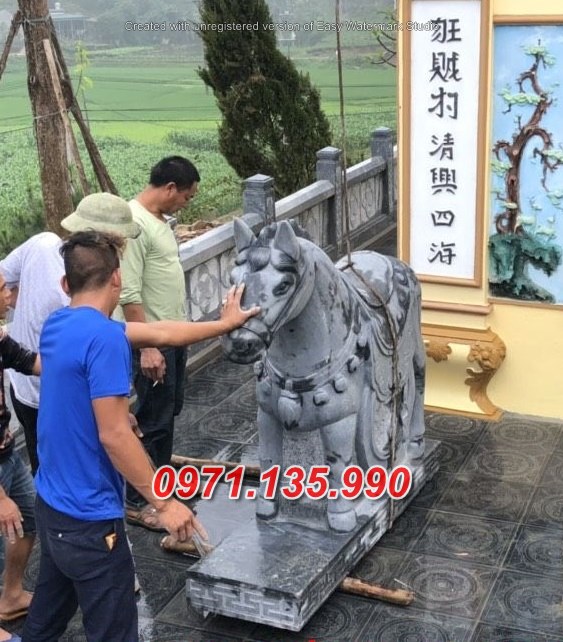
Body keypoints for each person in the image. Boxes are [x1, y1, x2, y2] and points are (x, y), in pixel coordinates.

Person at [22, 231, 259, 642]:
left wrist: (223, 324)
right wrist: (164, 503)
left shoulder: (58, 324)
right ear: (117, 278)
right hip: (90, 521)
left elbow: (161, 333)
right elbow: (114, 434)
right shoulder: (106, 340)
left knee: (46, 619)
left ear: (65, 284)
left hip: (52, 506)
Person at [0, 192, 142, 475]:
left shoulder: (43, 243)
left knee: (47, 470)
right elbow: (92, 360)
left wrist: (19, 300)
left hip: (25, 385)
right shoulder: (91, 291)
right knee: (76, 470)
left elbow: (4, 274)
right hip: (57, 396)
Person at [117, 156, 200, 529]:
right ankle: (138, 500)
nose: (185, 204)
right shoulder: (134, 224)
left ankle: (162, 485)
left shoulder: (159, 221)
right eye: (186, 197)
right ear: (169, 188)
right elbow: (129, 291)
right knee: (152, 420)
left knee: (167, 414)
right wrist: (147, 347)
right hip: (152, 342)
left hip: (171, 335)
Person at [0, 271, 41, 642]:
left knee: (28, 519)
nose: (9, 295)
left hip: (7, 453)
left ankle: (11, 596)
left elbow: (29, 361)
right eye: (2, 289)